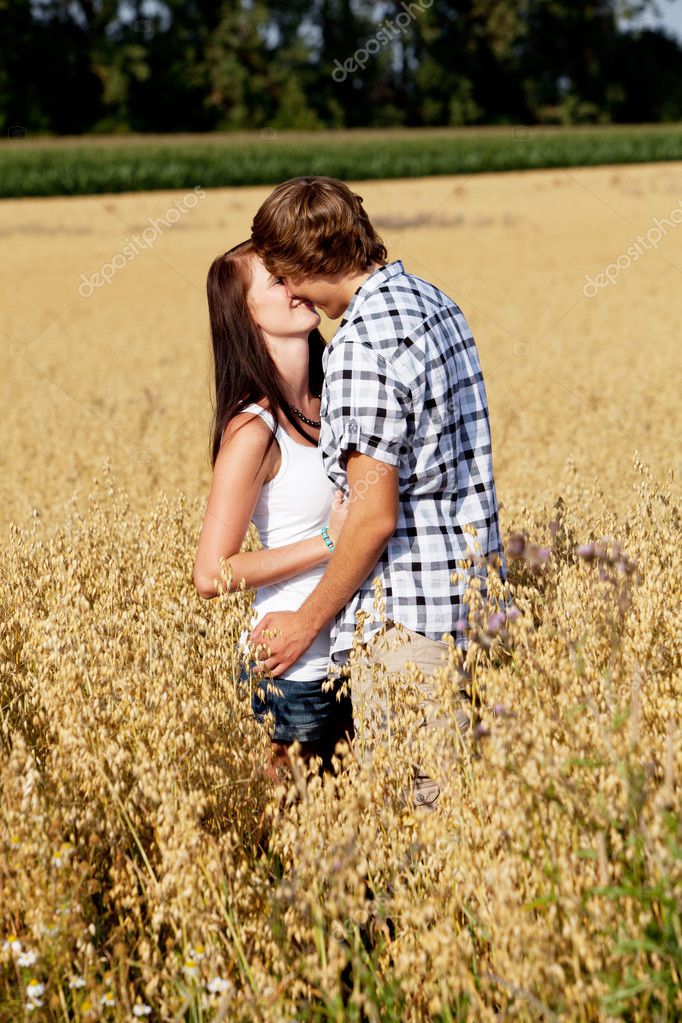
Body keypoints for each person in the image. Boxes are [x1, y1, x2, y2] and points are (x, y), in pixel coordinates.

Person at [249, 176, 507, 809]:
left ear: (311, 262)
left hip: (407, 633)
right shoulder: (436, 303)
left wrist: (303, 625)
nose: (287, 292)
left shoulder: (361, 344)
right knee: (466, 821)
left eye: (285, 275)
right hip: (476, 611)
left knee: (420, 834)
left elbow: (372, 516)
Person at [193, 239, 354, 779]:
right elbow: (212, 574)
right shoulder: (252, 429)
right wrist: (328, 543)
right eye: (276, 281)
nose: (297, 286)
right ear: (245, 314)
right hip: (294, 676)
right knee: (295, 845)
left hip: (355, 657)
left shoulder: (338, 398)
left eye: (295, 273)